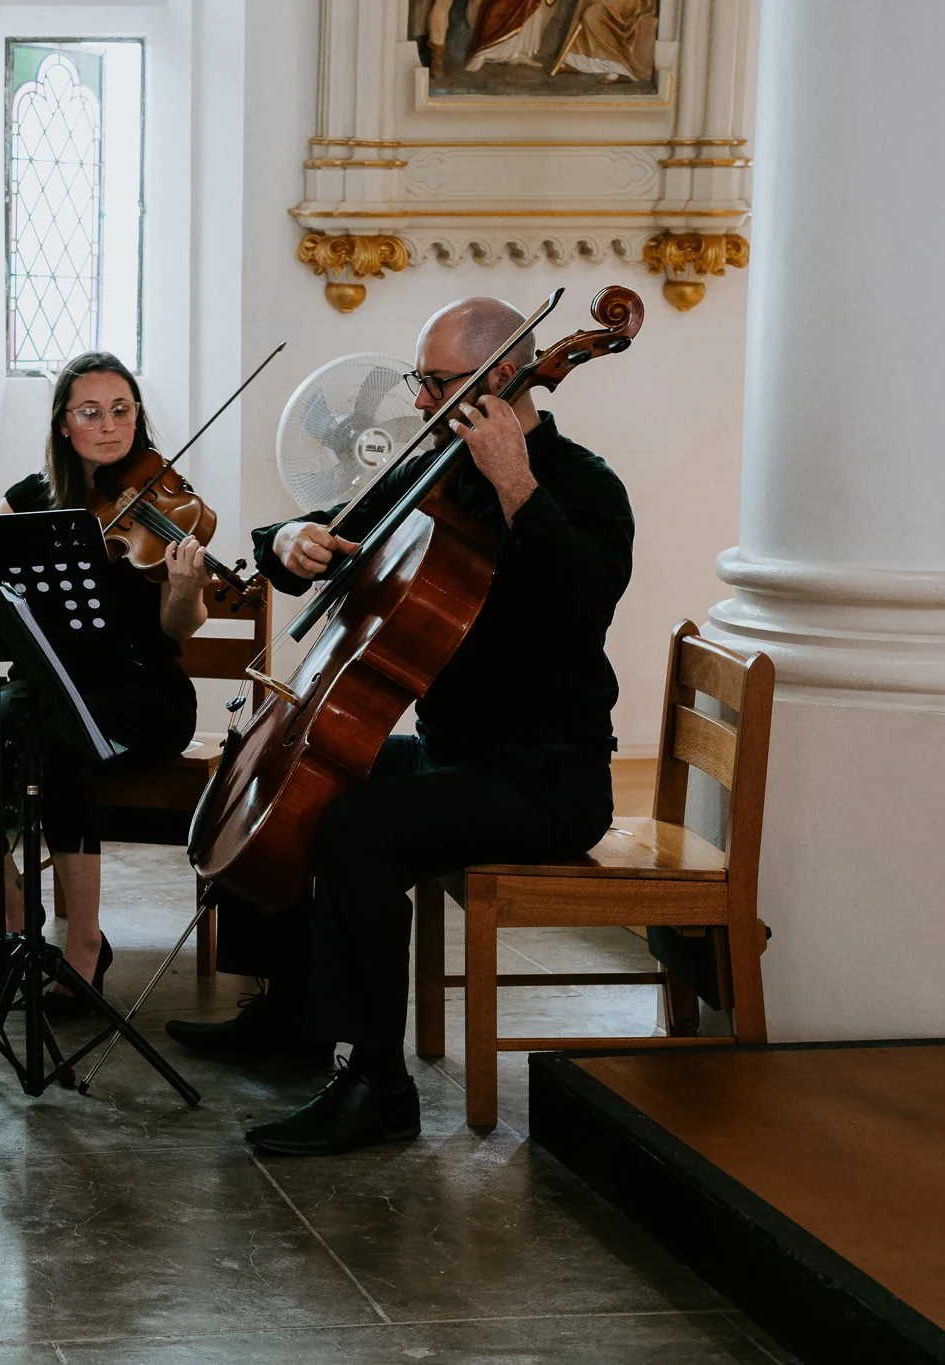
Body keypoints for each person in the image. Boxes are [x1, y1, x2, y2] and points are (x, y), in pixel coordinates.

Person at [168, 297, 634, 1157]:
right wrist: (291, 539)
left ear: (503, 377)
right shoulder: (436, 471)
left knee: (359, 828)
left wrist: (517, 482)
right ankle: (291, 1015)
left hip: (548, 777)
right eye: (419, 378)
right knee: (296, 778)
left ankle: (379, 1084)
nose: (417, 398)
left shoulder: (583, 485)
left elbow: (583, 600)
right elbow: (318, 538)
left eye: (434, 381)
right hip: (456, 756)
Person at [0, 351, 205, 1007]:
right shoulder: (28, 501)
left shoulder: (171, 503)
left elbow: (179, 627)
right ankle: (18, 913)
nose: (109, 426)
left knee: (60, 745)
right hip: (44, 687)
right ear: (64, 425)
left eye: (121, 410)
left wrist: (186, 588)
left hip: (143, 692)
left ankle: (84, 945)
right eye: (91, 412)